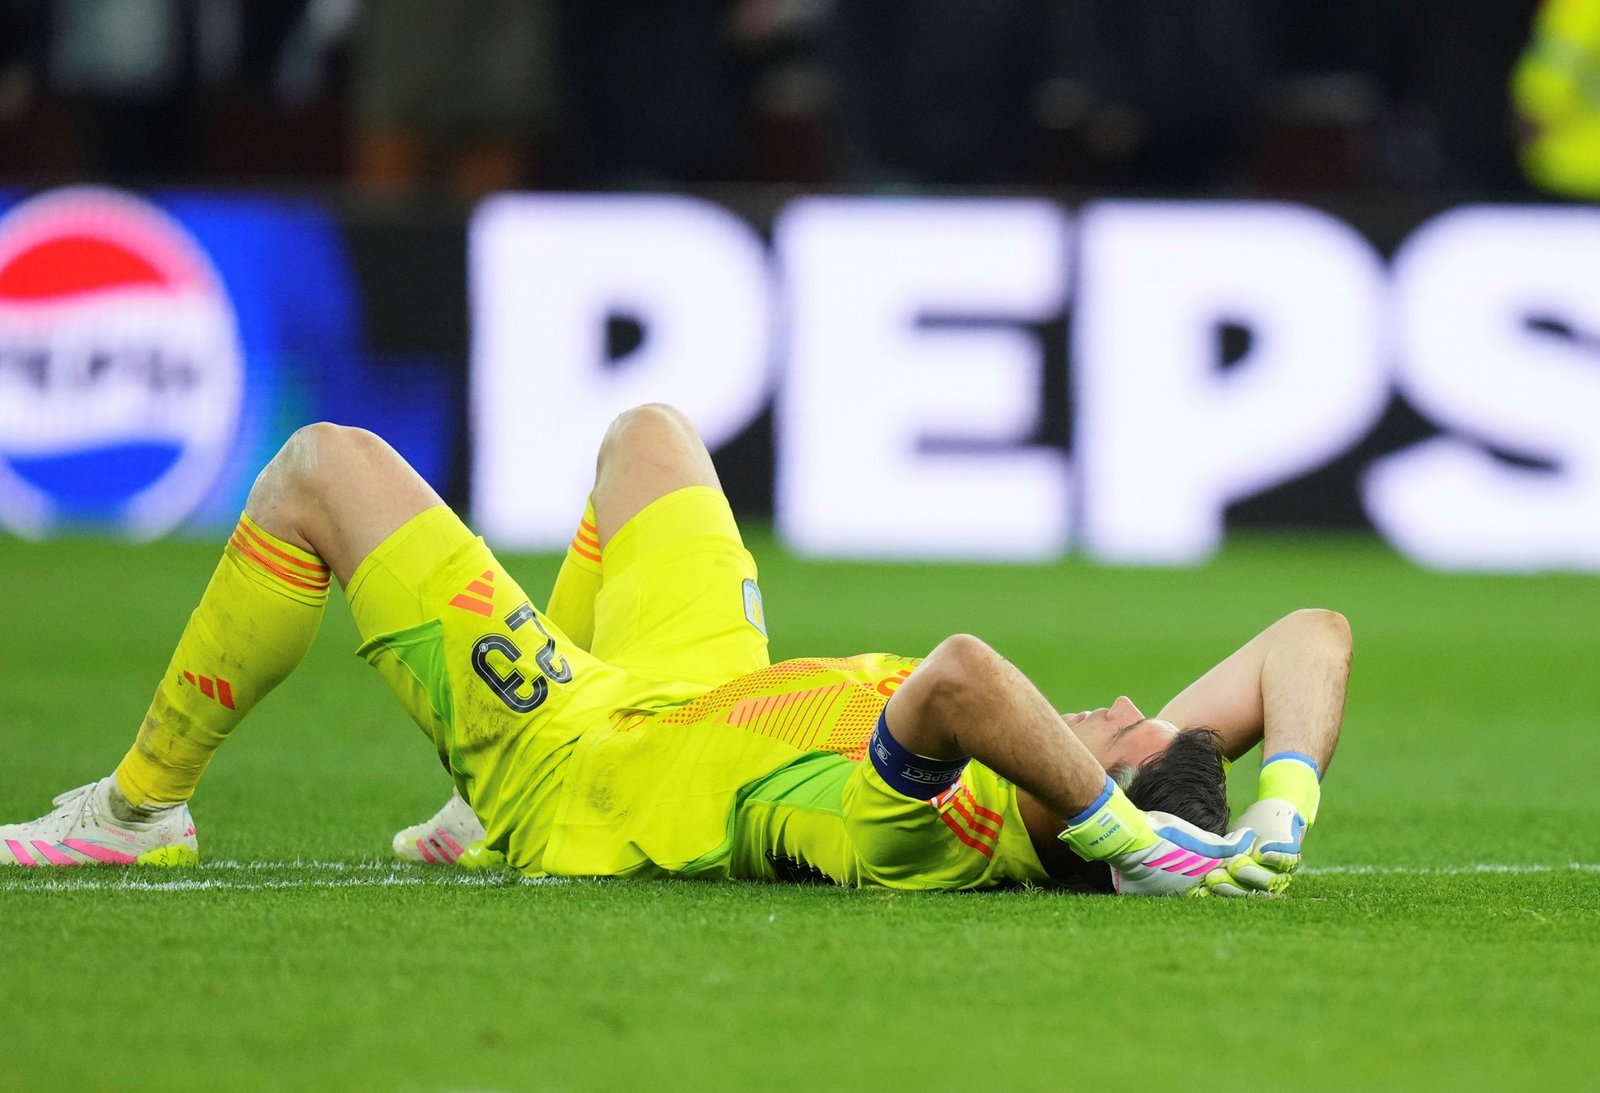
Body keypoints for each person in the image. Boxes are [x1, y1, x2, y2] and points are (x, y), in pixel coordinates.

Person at [0, 406, 1349, 896]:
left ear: (1076, 802)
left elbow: (959, 675)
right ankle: (455, 820)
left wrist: (1122, 827)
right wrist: (1278, 804)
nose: (1121, 703)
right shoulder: (1069, 791)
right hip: (700, 686)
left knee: (319, 469)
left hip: (580, 757)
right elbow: (1312, 632)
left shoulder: (926, 821)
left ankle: (139, 807)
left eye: (1118, 730)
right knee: (650, 436)